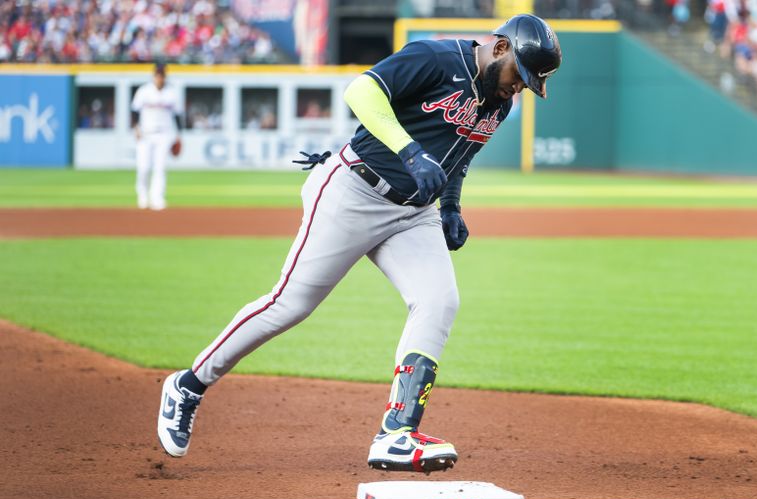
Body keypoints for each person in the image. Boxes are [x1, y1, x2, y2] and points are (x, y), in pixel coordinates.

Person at [157, 14, 561, 473]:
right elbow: (361, 92)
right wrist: (410, 151)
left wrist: (451, 206)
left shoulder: (497, 104)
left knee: (439, 301)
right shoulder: (436, 57)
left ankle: (397, 432)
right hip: (352, 191)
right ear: (502, 49)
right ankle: (189, 384)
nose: (520, 89)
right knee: (290, 304)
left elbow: (459, 156)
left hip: (413, 214)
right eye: (520, 77)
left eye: (530, 84)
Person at [131, 62, 182, 210]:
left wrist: (179, 135)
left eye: (162, 75)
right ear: (153, 76)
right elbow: (134, 112)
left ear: (165, 76)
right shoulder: (144, 91)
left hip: (164, 134)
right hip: (146, 134)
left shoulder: (172, 93)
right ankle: (142, 195)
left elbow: (177, 116)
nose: (160, 77)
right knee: (143, 167)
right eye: (157, 75)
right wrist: (136, 129)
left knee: (160, 168)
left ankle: (157, 197)